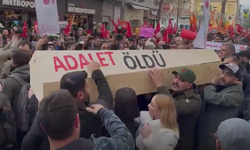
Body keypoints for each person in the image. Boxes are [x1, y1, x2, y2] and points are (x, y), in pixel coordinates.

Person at [22, 61, 114, 150]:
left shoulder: (48, 116)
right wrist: (97, 72)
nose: (89, 89)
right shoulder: (93, 114)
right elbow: (106, 97)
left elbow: (28, 143)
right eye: (87, 87)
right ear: (80, 95)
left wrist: (36, 102)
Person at [39, 89, 134, 150]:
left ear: (42, 127)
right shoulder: (101, 147)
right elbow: (126, 140)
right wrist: (104, 113)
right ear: (77, 121)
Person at [149, 68, 202, 150]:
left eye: (181, 80)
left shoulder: (195, 100)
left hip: (180, 145)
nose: (175, 81)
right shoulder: (172, 92)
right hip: (162, 138)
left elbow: (175, 108)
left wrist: (159, 85)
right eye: (176, 77)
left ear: (189, 85)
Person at [198, 63, 244, 150]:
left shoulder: (236, 94)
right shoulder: (222, 87)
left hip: (217, 136)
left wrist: (211, 85)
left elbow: (212, 97)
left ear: (236, 79)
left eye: (228, 75)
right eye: (222, 72)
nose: (222, 76)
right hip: (206, 132)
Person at [1, 48, 31, 149]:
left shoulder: (11, 81)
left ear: (14, 62)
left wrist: (10, 138)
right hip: (30, 121)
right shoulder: (35, 73)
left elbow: (5, 110)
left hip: (16, 126)